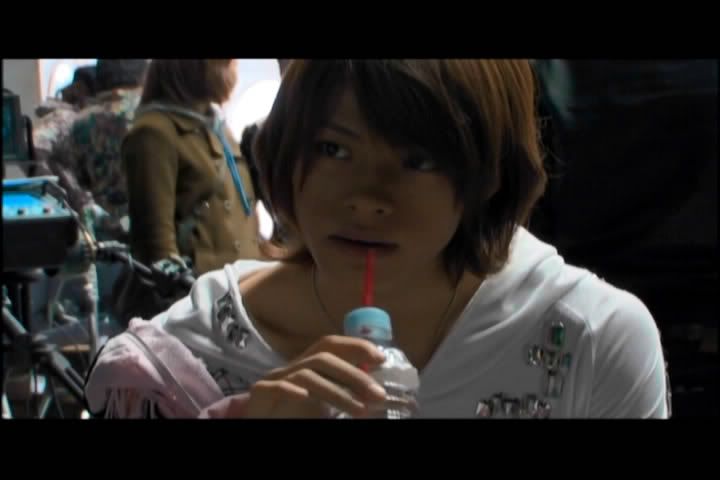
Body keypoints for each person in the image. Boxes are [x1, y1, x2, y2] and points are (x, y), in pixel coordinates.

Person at [85, 60, 669, 419]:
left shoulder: (590, 341)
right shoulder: (183, 358)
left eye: (417, 159)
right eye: (333, 149)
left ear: (489, 174)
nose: (367, 198)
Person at [114, 59, 262, 323]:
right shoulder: (154, 133)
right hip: (196, 304)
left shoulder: (216, 127)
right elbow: (156, 244)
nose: (232, 70)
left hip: (241, 292)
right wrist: (181, 307)